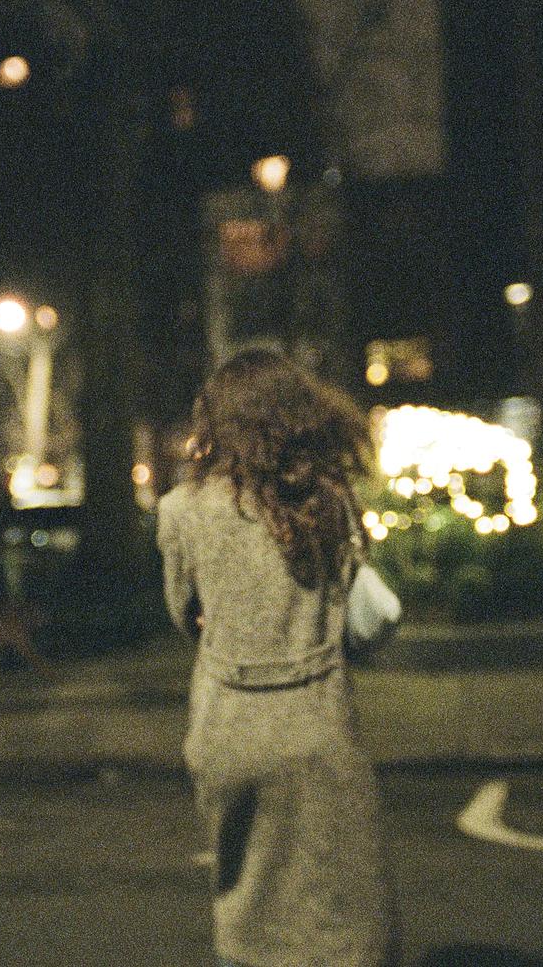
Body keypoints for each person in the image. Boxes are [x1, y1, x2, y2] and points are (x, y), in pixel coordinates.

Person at [157, 347, 400, 967]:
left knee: (248, 902)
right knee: (341, 903)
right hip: (317, 725)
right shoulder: (325, 502)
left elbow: (185, 614)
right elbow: (352, 599)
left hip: (228, 728)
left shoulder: (182, 510)